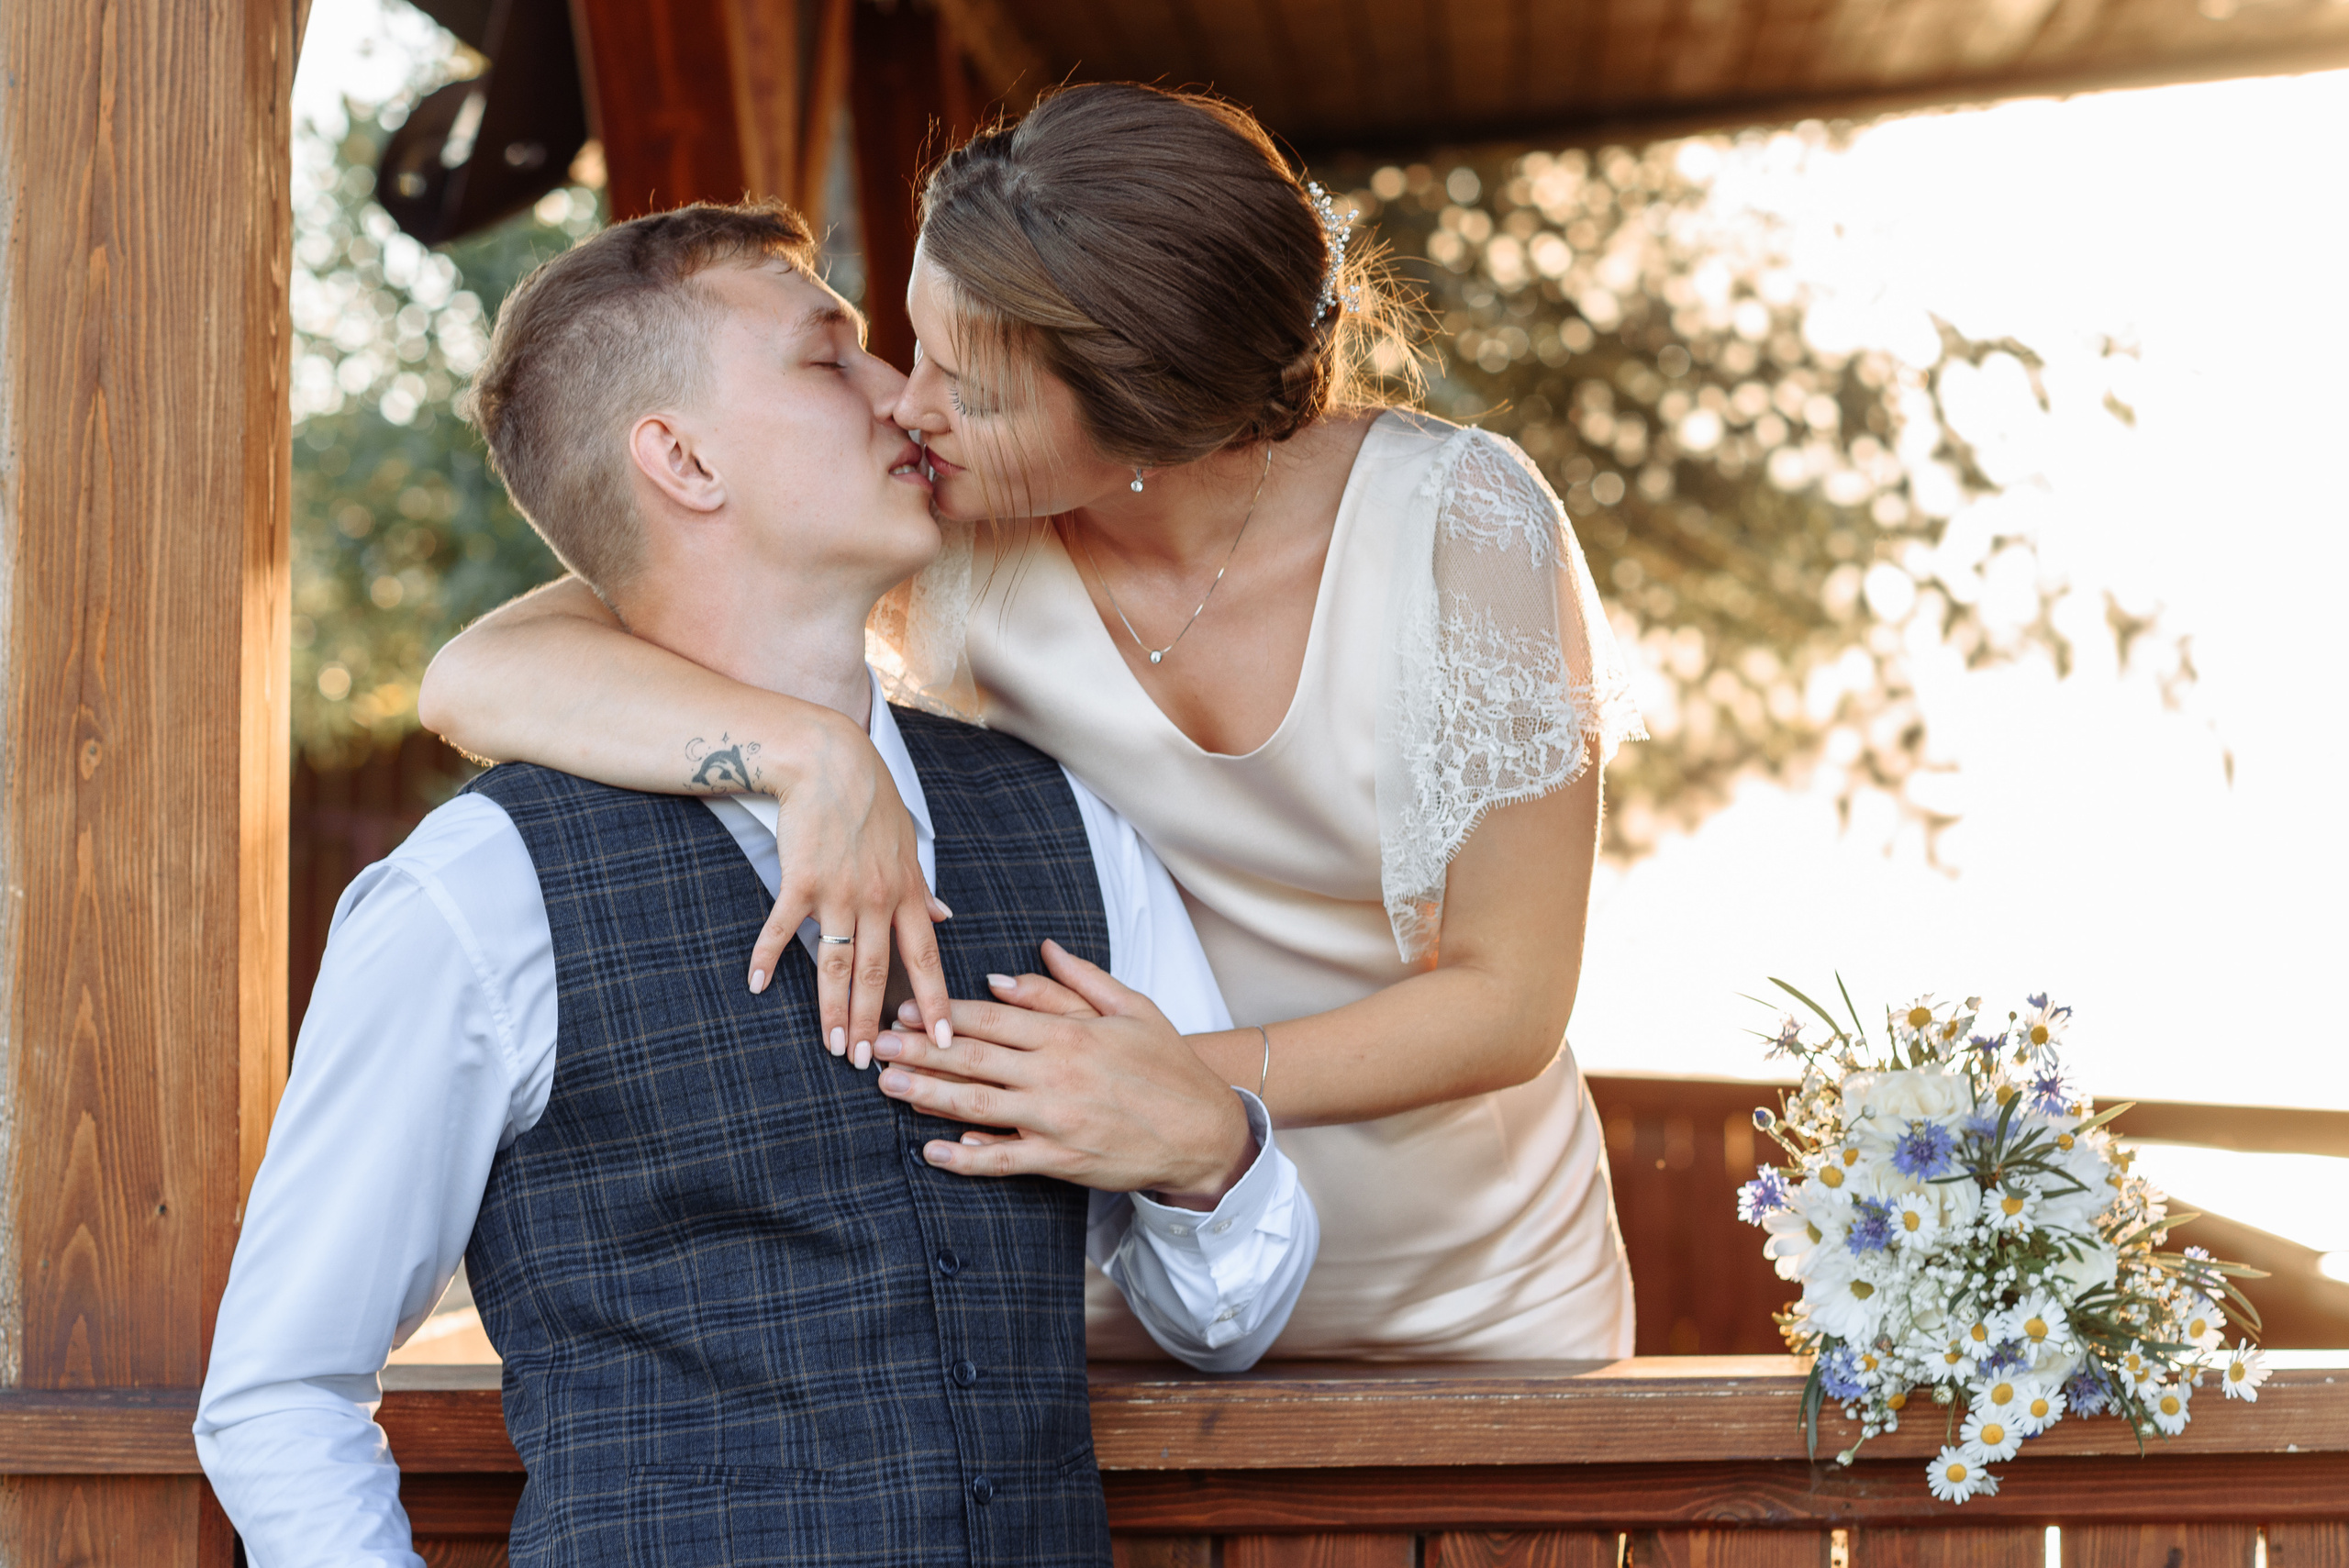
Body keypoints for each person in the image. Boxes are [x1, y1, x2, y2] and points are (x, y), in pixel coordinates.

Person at [421, 82, 1644, 1362]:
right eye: (922, 340)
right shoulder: (942, 526)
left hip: (1483, 1303)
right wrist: (810, 755)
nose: (911, 404)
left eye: (977, 390)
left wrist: (1157, 1089)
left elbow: (1510, 999)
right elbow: (483, 672)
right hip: (1128, 1305)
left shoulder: (1466, 530)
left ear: (1152, 421)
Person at [197, 201, 1318, 1568]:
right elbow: (280, 1391)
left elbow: (1224, 1318)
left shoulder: (1061, 821)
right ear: (681, 457)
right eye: (826, 357)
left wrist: (1217, 1154)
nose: (906, 394)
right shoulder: (478, 895)